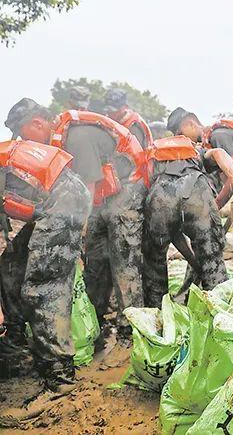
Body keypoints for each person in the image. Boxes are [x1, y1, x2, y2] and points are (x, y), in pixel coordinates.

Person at [5, 98, 147, 339]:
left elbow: (87, 187)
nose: (23, 142)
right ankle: (96, 317)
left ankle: (130, 329)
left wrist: (76, 234)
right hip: (102, 198)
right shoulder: (58, 139)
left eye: (23, 134)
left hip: (127, 191)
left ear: (38, 123)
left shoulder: (77, 136)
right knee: (95, 257)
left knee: (123, 259)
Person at [0, 137, 91, 395]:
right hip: (57, 197)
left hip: (63, 200)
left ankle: (60, 379)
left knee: (42, 287)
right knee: (10, 265)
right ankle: (15, 343)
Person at [141, 132, 233, 306]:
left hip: (160, 197)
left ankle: (157, 317)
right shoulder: (193, 150)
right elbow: (219, 152)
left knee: (154, 263)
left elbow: (173, 230)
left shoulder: (151, 155)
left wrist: (193, 260)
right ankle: (219, 313)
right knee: (211, 259)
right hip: (197, 191)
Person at [168, 107, 233, 275]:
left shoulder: (219, 136)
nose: (178, 138)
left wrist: (214, 208)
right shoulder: (206, 144)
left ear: (190, 123)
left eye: (179, 132)